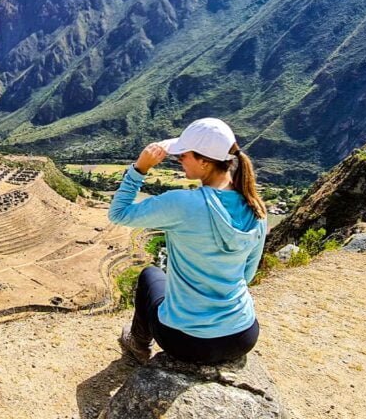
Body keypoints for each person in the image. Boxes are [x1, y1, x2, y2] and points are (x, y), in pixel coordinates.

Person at [108, 117, 267, 365]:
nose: (178, 158)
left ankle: (138, 344)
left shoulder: (183, 204)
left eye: (184, 154)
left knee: (150, 275)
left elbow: (119, 213)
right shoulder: (256, 207)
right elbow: (246, 276)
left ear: (204, 162)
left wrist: (139, 168)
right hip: (242, 335)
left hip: (186, 341)